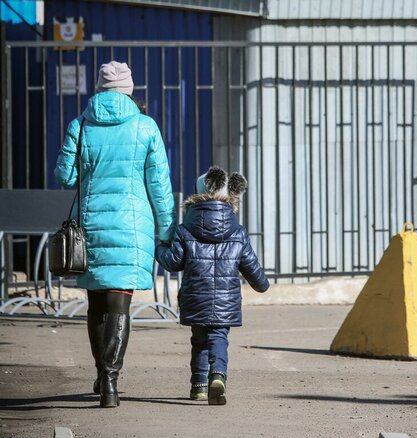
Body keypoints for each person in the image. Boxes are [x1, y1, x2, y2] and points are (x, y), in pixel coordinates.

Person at [54, 61, 175, 408]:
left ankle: (102, 373)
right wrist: (166, 231)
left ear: (99, 89)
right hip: (133, 227)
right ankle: (110, 381)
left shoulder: (80, 124)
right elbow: (159, 187)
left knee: (95, 304)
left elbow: (65, 176)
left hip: (91, 225)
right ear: (129, 90)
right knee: (119, 303)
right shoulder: (146, 127)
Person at [156, 166, 270, 405]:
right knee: (218, 336)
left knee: (199, 339)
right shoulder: (238, 232)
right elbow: (250, 265)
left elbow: (173, 262)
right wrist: (262, 284)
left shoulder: (185, 229)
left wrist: (159, 249)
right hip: (226, 301)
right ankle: (217, 376)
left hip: (195, 297)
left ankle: (198, 386)